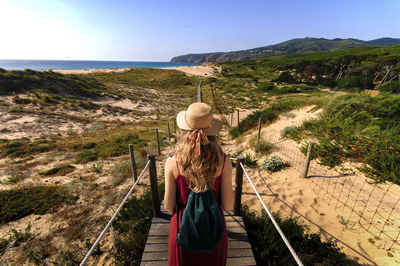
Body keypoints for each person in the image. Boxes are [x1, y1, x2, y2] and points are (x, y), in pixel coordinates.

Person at [164, 102, 234, 266]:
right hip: (213, 230)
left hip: (183, 231)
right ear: (213, 133)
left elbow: (168, 207)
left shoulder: (173, 162)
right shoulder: (224, 162)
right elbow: (228, 205)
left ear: (184, 131)